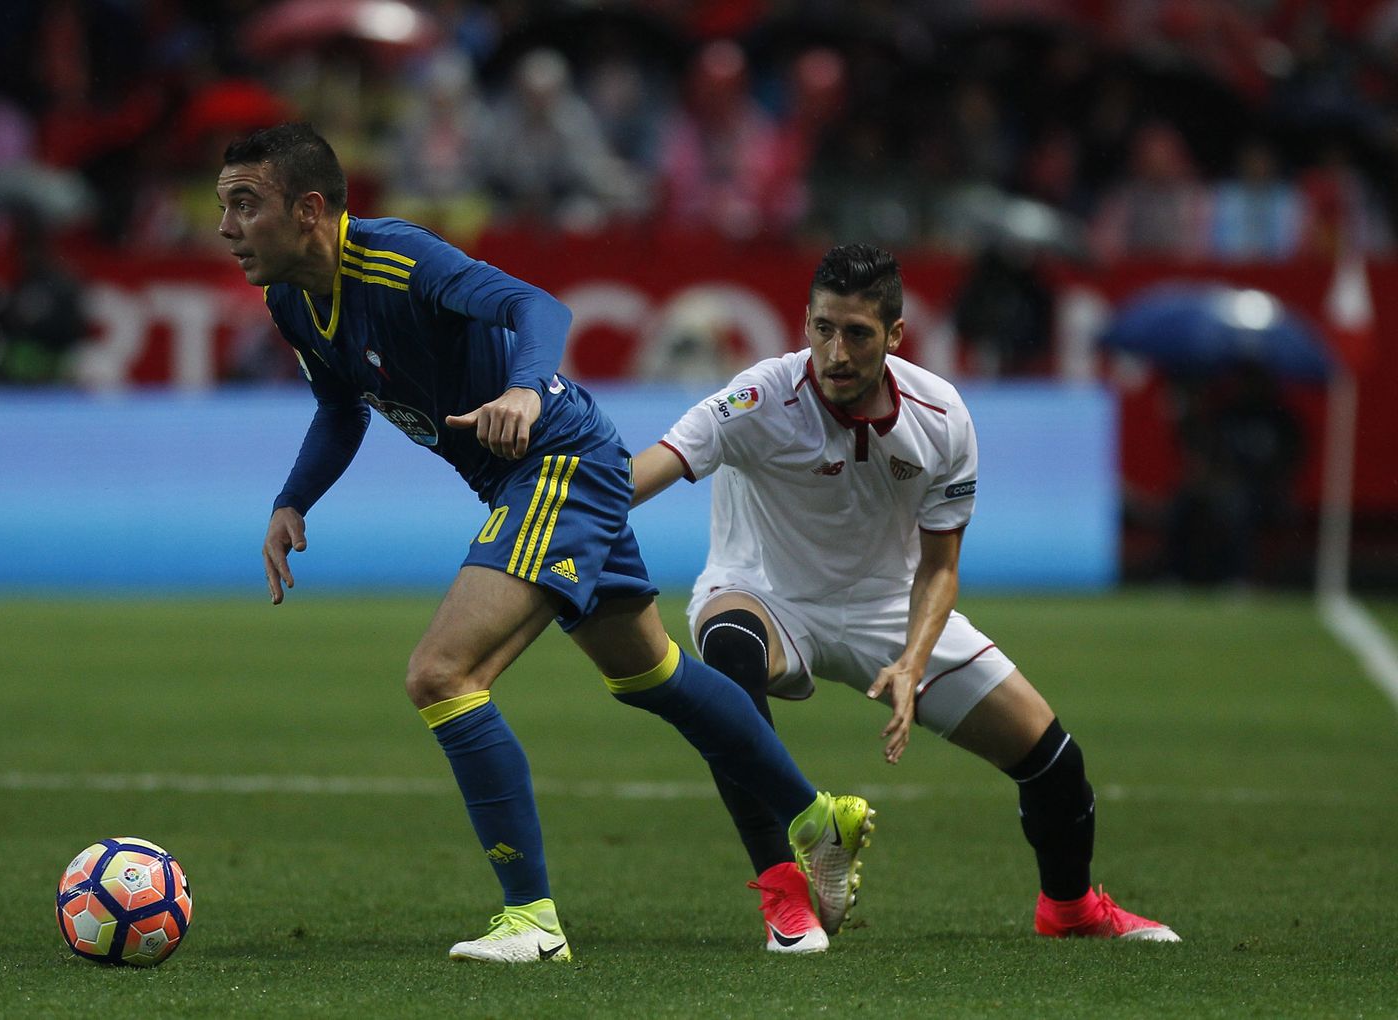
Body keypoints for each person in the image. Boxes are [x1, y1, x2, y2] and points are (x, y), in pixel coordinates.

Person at [215, 123, 872, 963]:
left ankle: (532, 918)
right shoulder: (291, 301)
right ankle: (819, 816)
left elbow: (538, 305)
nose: (227, 225)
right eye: (226, 203)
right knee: (652, 675)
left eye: (245, 204)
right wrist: (292, 499)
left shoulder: (396, 258)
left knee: (442, 674)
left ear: (310, 210)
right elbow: (342, 407)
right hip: (533, 478)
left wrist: (523, 390)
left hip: (558, 460)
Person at [630, 243, 1179, 952]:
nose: (836, 352)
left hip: (889, 611)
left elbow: (942, 569)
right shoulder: (759, 397)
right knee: (727, 662)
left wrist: (915, 661)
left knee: (1054, 763)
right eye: (823, 328)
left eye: (857, 333)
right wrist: (567, 502)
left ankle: (1070, 909)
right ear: (804, 323)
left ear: (893, 336)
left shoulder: (941, 417)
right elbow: (646, 471)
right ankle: (786, 892)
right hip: (763, 593)